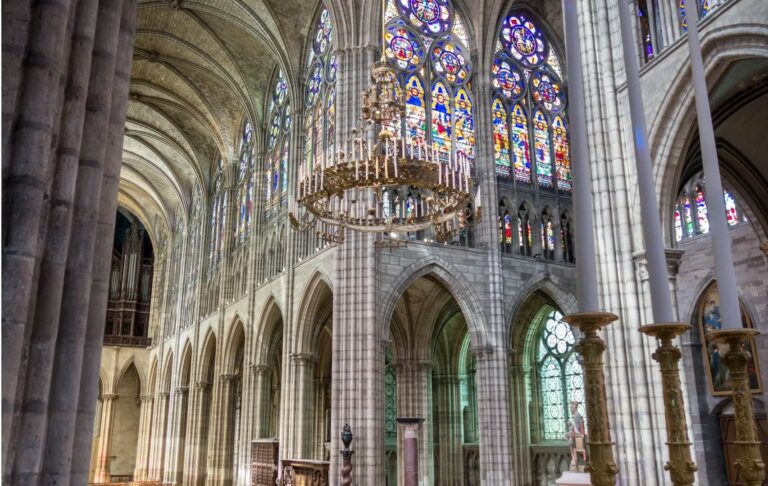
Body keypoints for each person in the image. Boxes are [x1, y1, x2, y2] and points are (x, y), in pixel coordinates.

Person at [565, 400, 587, 471]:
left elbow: (578, 430)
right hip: (576, 435)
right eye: (570, 407)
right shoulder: (575, 416)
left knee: (570, 441)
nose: (571, 409)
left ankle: (574, 459)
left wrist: (572, 424)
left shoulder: (577, 416)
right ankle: (574, 458)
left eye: (572, 407)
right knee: (567, 436)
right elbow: (573, 429)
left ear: (576, 408)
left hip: (579, 437)